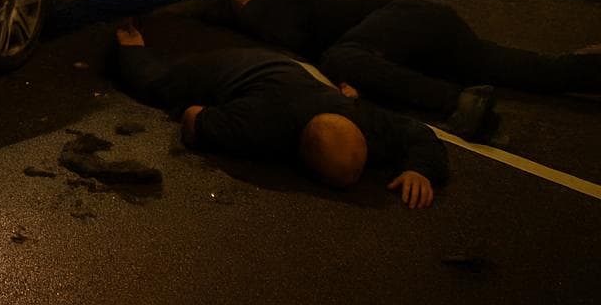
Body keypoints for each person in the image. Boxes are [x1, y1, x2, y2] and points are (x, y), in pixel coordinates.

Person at [212, 0, 601, 142]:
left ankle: (454, 100)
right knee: (528, 70)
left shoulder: (273, 4)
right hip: (423, 28)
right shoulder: (283, 2)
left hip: (407, 24)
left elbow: (300, 62)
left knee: (341, 60)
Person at [113, 22, 445, 208]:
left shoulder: (363, 122)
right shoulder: (263, 126)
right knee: (155, 84)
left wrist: (420, 169)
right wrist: (215, 127)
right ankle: (131, 47)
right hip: (229, 70)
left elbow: (418, 134)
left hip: (289, 73)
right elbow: (193, 119)